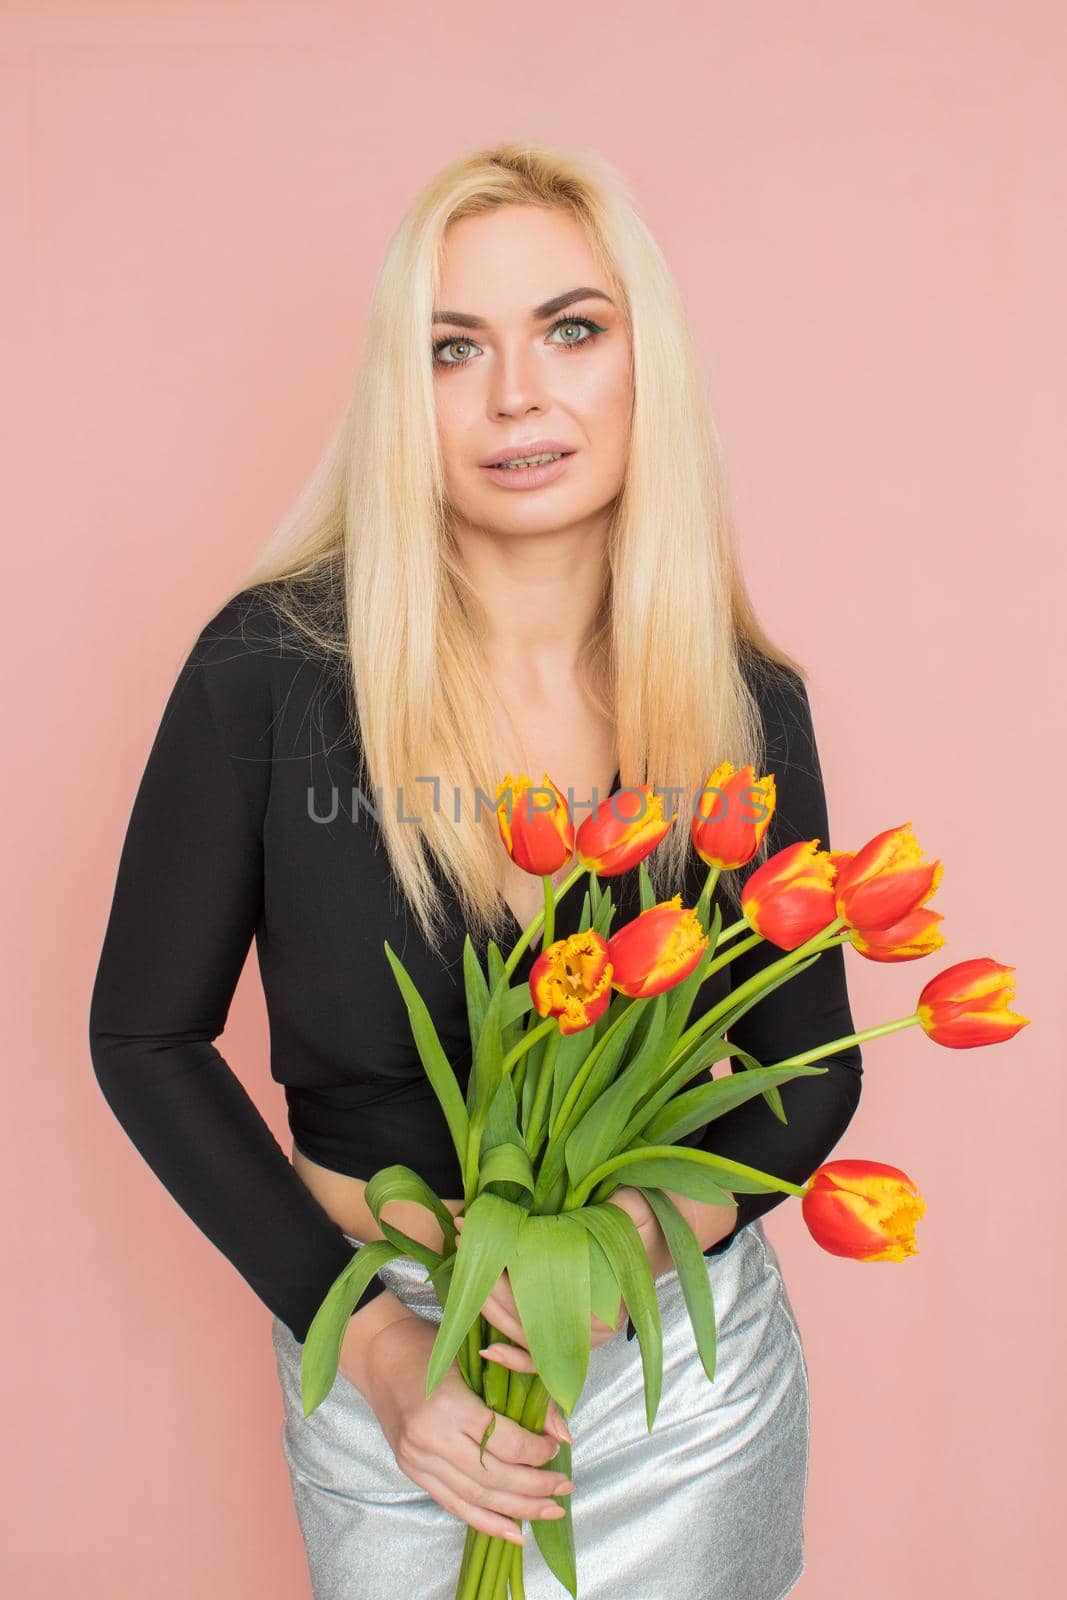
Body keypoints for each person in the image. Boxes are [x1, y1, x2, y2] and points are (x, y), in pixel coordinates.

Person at [89, 142, 863, 1600]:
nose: (518, 395)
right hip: (387, 1374)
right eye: (456, 349)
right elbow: (141, 1035)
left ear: (649, 363)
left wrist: (620, 1256)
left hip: (675, 1385)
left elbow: (811, 1066)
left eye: (573, 329)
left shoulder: (743, 705)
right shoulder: (268, 675)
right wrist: (374, 1351)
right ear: (406, 392)